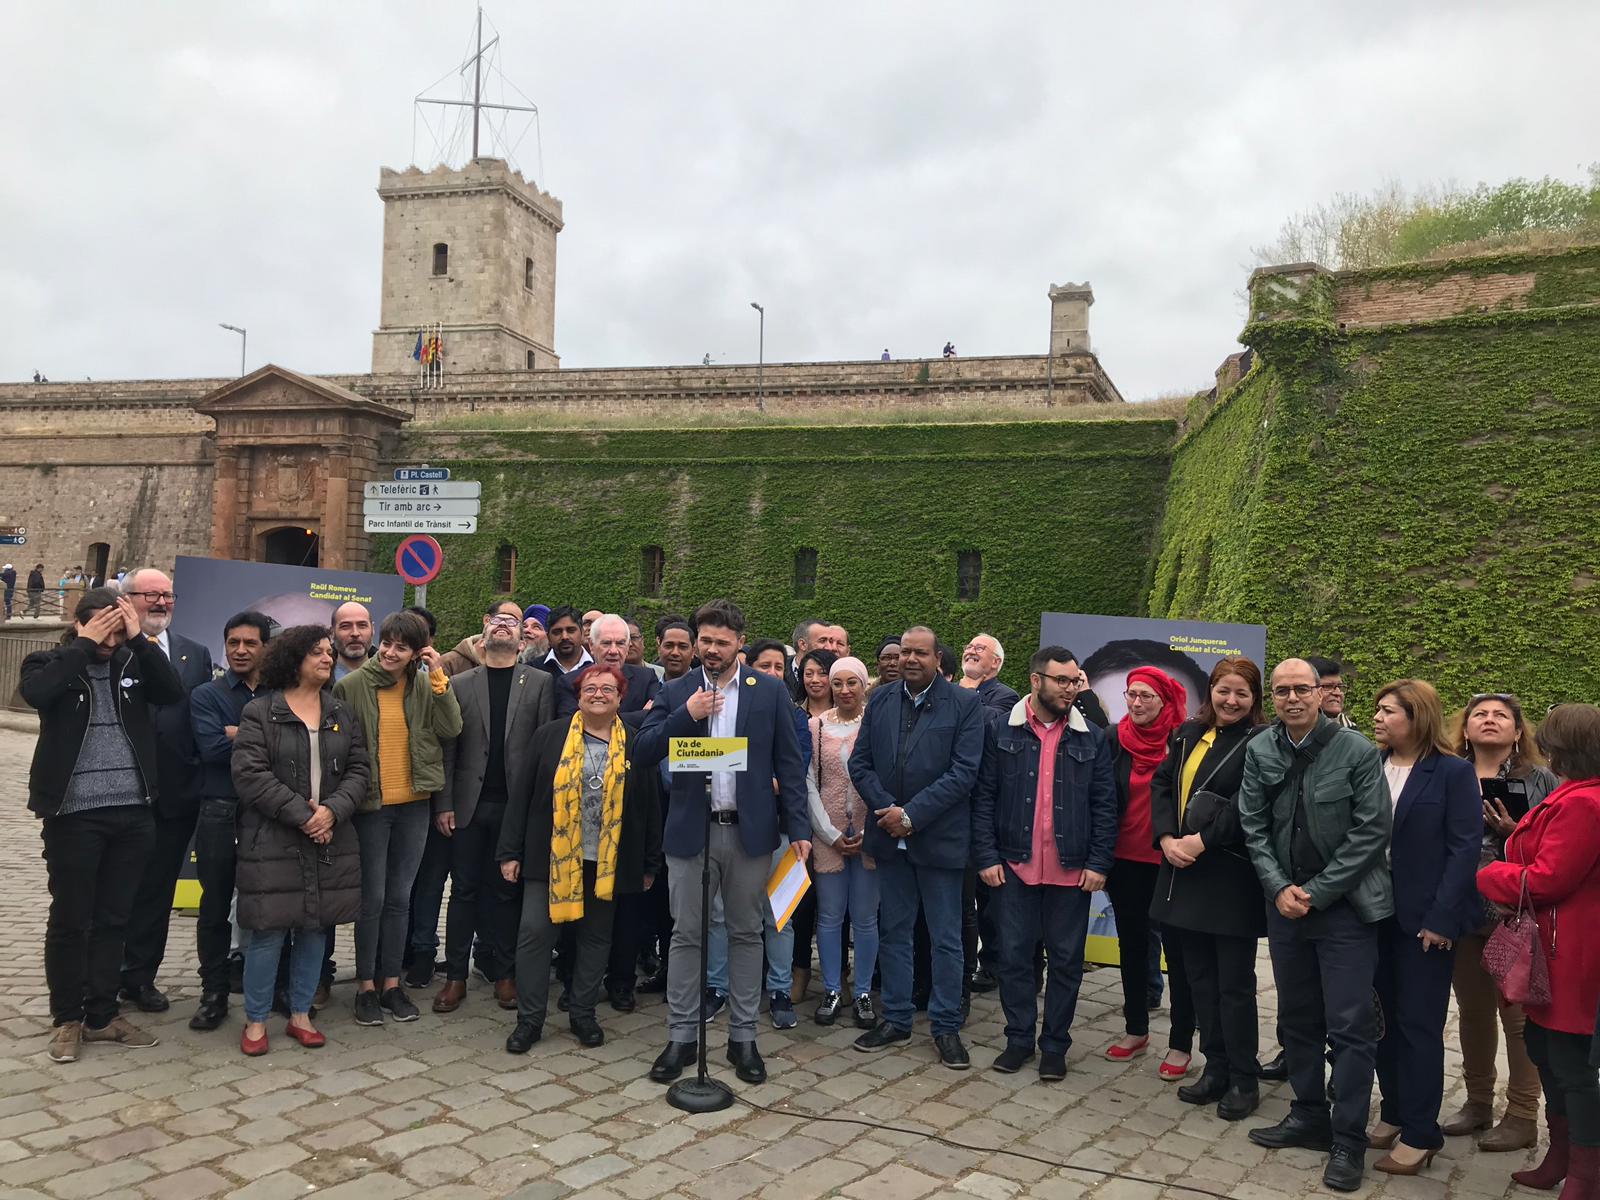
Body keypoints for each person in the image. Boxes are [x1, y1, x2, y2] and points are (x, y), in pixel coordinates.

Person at [636, 599, 810, 1087]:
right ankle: (681, 1037)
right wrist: (685, 716)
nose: (711, 650)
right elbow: (644, 751)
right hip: (692, 832)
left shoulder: (769, 692)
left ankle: (743, 1038)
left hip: (750, 833)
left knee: (745, 933)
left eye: (721, 642)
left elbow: (790, 766)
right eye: (704, 642)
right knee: (687, 933)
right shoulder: (676, 690)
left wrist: (799, 830)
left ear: (739, 643)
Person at [1238, 658, 1392, 1194]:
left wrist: (1319, 892)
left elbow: (1372, 830)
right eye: (1282, 691)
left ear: (1321, 693)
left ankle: (1348, 1137)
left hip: (1343, 910)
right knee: (1297, 1018)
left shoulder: (1356, 751)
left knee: (1350, 1026)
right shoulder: (1260, 748)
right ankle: (1307, 1114)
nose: (1292, 698)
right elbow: (1252, 825)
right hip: (1285, 908)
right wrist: (1279, 887)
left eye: (1302, 689)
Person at [25, 589, 184, 1063]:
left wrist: (137, 639)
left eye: (118, 627)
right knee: (73, 919)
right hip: (74, 814)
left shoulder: (132, 662)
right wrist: (80, 645)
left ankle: (101, 1013)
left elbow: (172, 693)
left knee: (116, 917)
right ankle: (67, 1019)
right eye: (103, 628)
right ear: (79, 624)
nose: (110, 638)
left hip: (133, 811)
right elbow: (37, 694)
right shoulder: (46, 661)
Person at [497, 665, 662, 1051]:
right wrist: (509, 851)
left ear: (621, 698)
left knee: (595, 938)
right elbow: (521, 796)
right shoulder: (549, 737)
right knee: (535, 933)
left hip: (608, 863)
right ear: (578, 694)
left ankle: (583, 1014)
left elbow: (650, 807)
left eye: (609, 689)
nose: (599, 694)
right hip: (550, 857)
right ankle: (530, 1019)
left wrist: (649, 864)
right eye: (591, 688)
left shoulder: (636, 743)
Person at [973, 646, 1117, 1081]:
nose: (1071, 689)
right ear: (1036, 681)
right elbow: (984, 798)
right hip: (1014, 867)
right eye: (1062, 681)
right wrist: (986, 856)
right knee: (1015, 958)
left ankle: (1055, 1045)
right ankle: (1019, 1039)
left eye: (1075, 681)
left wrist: (1099, 862)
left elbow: (1105, 805)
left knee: (1067, 960)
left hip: (1072, 871)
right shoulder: (1001, 730)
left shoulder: (1092, 736)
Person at [1478, 704, 1600, 1199]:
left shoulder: (1583, 803)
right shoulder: (1576, 796)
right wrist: (1517, 836)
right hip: (1556, 947)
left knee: (1571, 1063)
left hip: (1570, 951)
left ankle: (1587, 1173)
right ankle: (1562, 1155)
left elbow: (1550, 879)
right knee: (1546, 1051)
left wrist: (1487, 874)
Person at [850, 625, 985, 1069]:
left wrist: (911, 815)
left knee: (946, 939)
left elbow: (964, 773)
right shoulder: (882, 699)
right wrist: (888, 809)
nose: (910, 659)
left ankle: (946, 1026)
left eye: (920, 653)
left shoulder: (965, 705)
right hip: (889, 838)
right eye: (905, 651)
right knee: (895, 931)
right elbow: (860, 762)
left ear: (937, 659)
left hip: (939, 841)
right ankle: (898, 1017)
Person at [231, 625, 369, 1057]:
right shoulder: (260, 712)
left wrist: (332, 811)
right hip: (273, 837)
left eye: (329, 652)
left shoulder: (340, 711)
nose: (327, 659)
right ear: (293, 658)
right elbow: (250, 775)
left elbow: (360, 770)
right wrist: (304, 816)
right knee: (269, 930)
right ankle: (255, 1021)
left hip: (331, 835)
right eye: (317, 652)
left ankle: (301, 1014)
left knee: (315, 928)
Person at [1365, 679, 1483, 1175]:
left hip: (1424, 922)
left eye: (1388, 711)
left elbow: (1464, 849)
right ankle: (1393, 1109)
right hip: (1372, 914)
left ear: (1417, 718)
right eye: (1377, 709)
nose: (1377, 717)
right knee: (1380, 1021)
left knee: (1418, 1024)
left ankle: (1420, 1132)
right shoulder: (1371, 765)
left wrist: (1442, 917)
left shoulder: (1453, 772)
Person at [1150, 657, 1267, 1118]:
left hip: (1228, 876)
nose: (1231, 700)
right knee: (1199, 979)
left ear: (1254, 699)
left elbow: (1250, 802)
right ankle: (1214, 1067)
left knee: (1234, 985)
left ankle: (1243, 1076)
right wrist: (1166, 839)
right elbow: (1162, 785)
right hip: (1182, 872)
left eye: (1242, 693)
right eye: (1224, 690)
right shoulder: (1186, 734)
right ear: (1211, 691)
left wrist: (1199, 841)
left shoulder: (1261, 742)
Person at [333, 610, 463, 1025]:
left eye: (401, 647)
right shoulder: (350, 686)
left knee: (399, 898)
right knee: (371, 899)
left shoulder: (424, 685)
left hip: (413, 806)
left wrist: (439, 678)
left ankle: (392, 983)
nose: (390, 652)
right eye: (386, 643)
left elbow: (451, 728)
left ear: (415, 653)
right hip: (371, 807)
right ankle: (366, 987)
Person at [1445, 692, 1559, 1151]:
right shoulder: (1448, 773)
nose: (1489, 721)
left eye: (1501, 716)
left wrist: (1515, 832)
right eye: (1480, 714)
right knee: (1472, 1012)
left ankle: (1522, 1114)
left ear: (1517, 730)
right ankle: (1476, 1103)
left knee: (1516, 1014)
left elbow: (1558, 848)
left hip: (1513, 915)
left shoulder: (1541, 780)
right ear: (1466, 727)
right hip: (1459, 911)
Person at [430, 606, 553, 1014]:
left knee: (507, 893)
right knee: (462, 891)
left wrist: (537, 811)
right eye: (495, 620)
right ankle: (455, 977)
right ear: (483, 634)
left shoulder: (539, 683)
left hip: (514, 808)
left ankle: (505, 973)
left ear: (523, 639)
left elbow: (544, 750)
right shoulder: (460, 683)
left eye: (512, 622)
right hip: (467, 806)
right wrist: (443, 803)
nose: (502, 625)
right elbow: (448, 747)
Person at [116, 568, 216, 1013]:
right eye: (151, 594)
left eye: (168, 595)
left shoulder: (195, 654)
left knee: (156, 893)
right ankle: (100, 979)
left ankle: (140, 978)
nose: (161, 602)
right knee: (115, 892)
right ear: (126, 599)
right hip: (119, 793)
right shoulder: (110, 647)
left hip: (174, 796)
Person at [1103, 666, 1195, 1078]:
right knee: (1132, 946)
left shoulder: (1184, 742)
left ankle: (1180, 1044)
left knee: (1177, 953)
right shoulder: (1113, 739)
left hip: (1170, 860)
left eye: (1146, 697)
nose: (1136, 704)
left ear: (1166, 701)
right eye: (1131, 695)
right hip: (1125, 859)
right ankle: (1135, 1028)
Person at [187, 611, 272, 1031]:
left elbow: (290, 751)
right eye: (233, 642)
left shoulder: (282, 692)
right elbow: (212, 751)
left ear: (265, 648)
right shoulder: (207, 694)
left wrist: (240, 733)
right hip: (219, 809)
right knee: (215, 905)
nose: (240, 650)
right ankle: (213, 992)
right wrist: (263, 737)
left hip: (269, 813)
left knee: (271, 904)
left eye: (249, 643)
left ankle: (268, 986)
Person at [807, 655, 878, 1027]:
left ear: (864, 685)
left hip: (870, 833)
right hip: (829, 835)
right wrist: (829, 834)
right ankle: (833, 988)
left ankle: (864, 991)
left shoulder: (877, 724)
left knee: (865, 918)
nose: (845, 689)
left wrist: (872, 831)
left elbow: (886, 778)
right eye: (838, 683)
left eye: (853, 682)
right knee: (831, 916)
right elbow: (809, 783)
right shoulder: (815, 727)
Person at [553, 614, 660, 721]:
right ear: (591, 645)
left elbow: (656, 718)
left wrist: (593, 719)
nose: (613, 651)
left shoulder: (646, 678)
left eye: (620, 643)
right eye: (606, 643)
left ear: (628, 646)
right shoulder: (569, 682)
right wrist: (639, 716)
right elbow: (571, 724)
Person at [439, 598, 523, 678]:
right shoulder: (450, 663)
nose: (504, 624)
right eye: (499, 619)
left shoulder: (524, 669)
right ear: (487, 620)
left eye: (513, 622)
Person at [960, 634, 1020, 717]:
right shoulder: (949, 689)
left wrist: (969, 692)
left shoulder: (1007, 696)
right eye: (969, 647)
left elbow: (990, 725)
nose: (971, 651)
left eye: (979, 648)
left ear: (995, 662)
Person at [542, 606, 593, 678]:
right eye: (557, 632)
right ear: (548, 637)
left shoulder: (598, 666)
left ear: (582, 633)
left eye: (571, 630)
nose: (564, 637)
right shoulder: (534, 669)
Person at [1308, 657, 1358, 730]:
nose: (1338, 693)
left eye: (1340, 687)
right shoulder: (1289, 732)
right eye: (1328, 686)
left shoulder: (1352, 735)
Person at [330, 602, 373, 681]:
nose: (355, 633)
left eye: (362, 625)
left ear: (373, 630)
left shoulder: (390, 676)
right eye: (345, 626)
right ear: (332, 633)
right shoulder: (316, 680)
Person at [798, 648, 839, 720]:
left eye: (822, 673)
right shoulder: (792, 713)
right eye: (809, 674)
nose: (815, 680)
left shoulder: (846, 712)